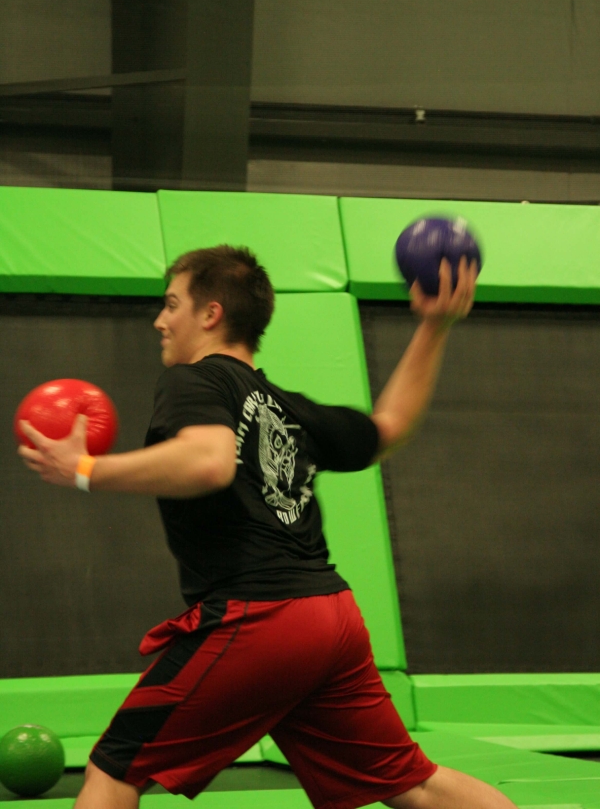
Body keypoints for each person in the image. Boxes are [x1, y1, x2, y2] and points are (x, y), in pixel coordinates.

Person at [19, 245, 516, 809]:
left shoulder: (194, 380)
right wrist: (434, 324)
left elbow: (208, 461)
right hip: (331, 618)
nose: (160, 319)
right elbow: (391, 426)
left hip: (260, 616)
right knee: (412, 784)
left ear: (210, 315)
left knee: (113, 771)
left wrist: (84, 470)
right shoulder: (287, 407)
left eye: (172, 304)